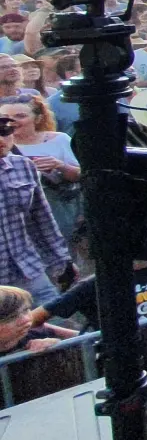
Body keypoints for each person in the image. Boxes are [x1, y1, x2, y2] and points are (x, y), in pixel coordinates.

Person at [0, 112, 71, 307]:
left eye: (5, 131)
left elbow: (42, 217)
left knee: (56, 321)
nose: (2, 139)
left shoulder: (23, 166)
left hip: (27, 269)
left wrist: (62, 260)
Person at [1, 286, 75, 354]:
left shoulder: (39, 333)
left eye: (26, 310)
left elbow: (82, 342)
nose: (26, 319)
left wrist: (55, 345)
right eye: (12, 317)